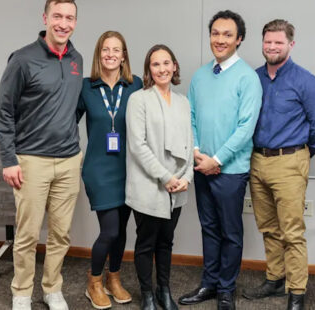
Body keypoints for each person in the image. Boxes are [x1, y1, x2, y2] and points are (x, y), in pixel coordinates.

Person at [0, 1, 82, 309]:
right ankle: (21, 292)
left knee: (61, 234)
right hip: (31, 161)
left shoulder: (77, 59)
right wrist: (9, 159)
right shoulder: (22, 59)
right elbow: (4, 111)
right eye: (57, 16)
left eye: (69, 17)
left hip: (70, 161)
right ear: (46, 18)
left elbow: (70, 108)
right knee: (28, 234)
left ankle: (51, 288)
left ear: (75, 22)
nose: (63, 23)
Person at [242, 19, 315, 310]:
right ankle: (275, 278)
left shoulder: (305, 81)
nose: (272, 47)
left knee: (292, 231)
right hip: (257, 160)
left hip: (290, 161)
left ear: (291, 45)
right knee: (268, 227)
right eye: (268, 42)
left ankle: (296, 291)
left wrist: (301, 154)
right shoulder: (254, 78)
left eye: (278, 42)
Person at [178, 10, 262, 310]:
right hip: (202, 166)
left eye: (227, 34)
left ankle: (227, 288)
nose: (220, 39)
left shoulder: (248, 78)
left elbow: (246, 127)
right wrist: (197, 150)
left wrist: (218, 159)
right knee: (209, 228)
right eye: (215, 33)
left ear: (239, 39)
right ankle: (209, 284)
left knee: (230, 231)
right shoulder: (200, 76)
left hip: (230, 170)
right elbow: (191, 117)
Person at [76, 31, 142, 309]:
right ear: (98, 54)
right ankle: (94, 282)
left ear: (124, 55)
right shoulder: (85, 87)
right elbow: (66, 123)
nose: (111, 54)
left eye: (116, 50)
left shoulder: (135, 85)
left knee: (123, 230)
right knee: (110, 230)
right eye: (106, 49)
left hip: (129, 167)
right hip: (99, 168)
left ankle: (113, 279)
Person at [126, 44, 194, 310]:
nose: (162, 69)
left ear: (174, 66)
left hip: (178, 186)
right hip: (150, 185)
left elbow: (190, 143)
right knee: (146, 243)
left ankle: (163, 289)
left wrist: (186, 176)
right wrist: (166, 177)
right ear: (149, 69)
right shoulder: (139, 100)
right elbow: (137, 145)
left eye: (167, 63)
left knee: (166, 241)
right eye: (156, 64)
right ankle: (147, 294)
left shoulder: (183, 101)